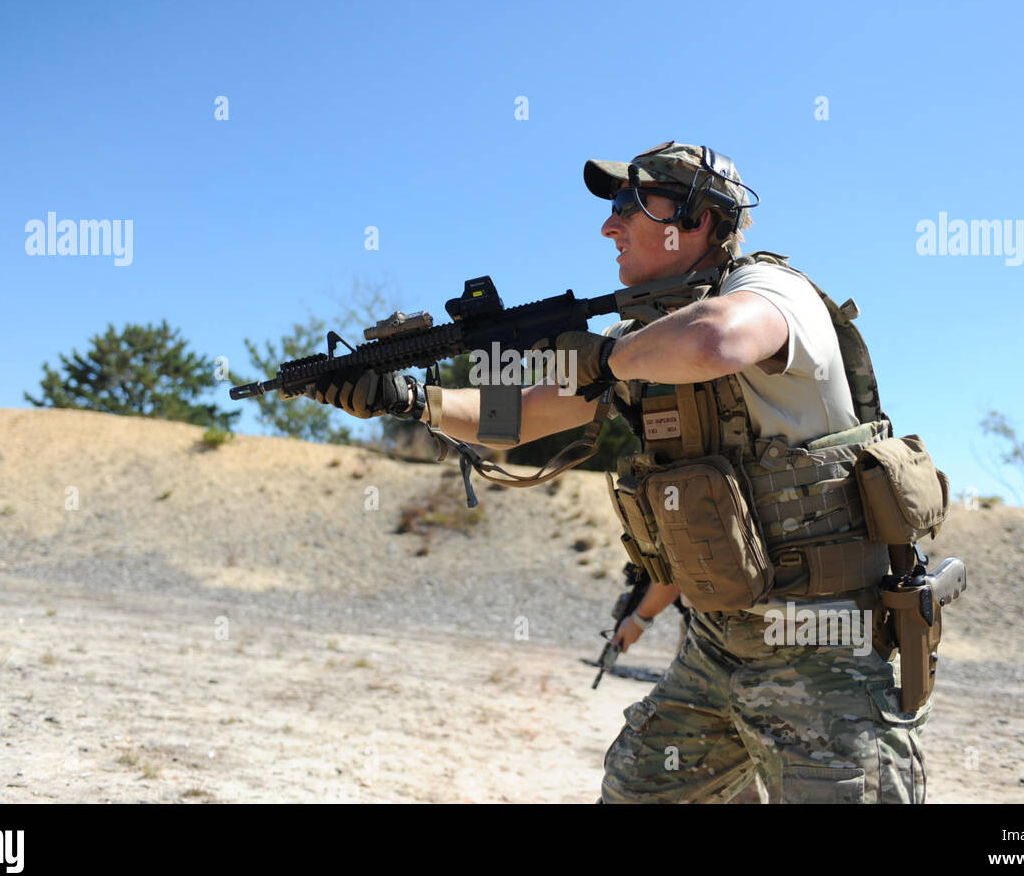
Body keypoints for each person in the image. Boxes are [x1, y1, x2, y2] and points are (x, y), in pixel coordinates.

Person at [308, 141, 930, 804]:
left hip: (820, 644)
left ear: (695, 218)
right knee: (638, 788)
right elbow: (512, 418)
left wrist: (603, 356)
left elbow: (716, 340)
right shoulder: (640, 342)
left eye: (630, 203)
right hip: (719, 645)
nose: (611, 224)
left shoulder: (771, 290)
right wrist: (406, 399)